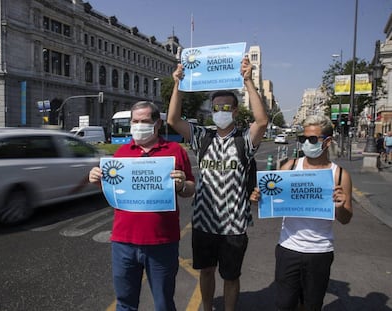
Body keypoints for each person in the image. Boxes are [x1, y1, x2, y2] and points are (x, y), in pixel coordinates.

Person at [167, 56, 268, 311]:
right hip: (204, 221)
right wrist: (177, 83)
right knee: (206, 271)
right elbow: (173, 120)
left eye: (226, 108)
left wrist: (248, 81)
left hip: (234, 224)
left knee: (231, 277)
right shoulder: (202, 136)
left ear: (235, 111)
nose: (220, 112)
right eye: (216, 107)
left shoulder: (245, 139)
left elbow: (262, 121)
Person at [89, 101, 195, 311]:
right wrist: (99, 180)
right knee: (125, 303)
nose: (138, 125)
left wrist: (182, 184)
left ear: (156, 124)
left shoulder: (174, 151)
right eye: (135, 121)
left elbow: (190, 189)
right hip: (123, 242)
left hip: (162, 242)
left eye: (144, 121)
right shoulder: (121, 153)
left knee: (164, 303)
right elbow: (115, 192)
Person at [250, 114, 353, 311]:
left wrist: (340, 206)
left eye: (312, 139)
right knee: (284, 304)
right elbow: (272, 201)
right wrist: (257, 199)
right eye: (303, 139)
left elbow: (346, 219)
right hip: (288, 248)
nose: (307, 143)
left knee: (312, 305)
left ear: (327, 141)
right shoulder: (289, 167)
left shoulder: (340, 175)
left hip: (320, 252)